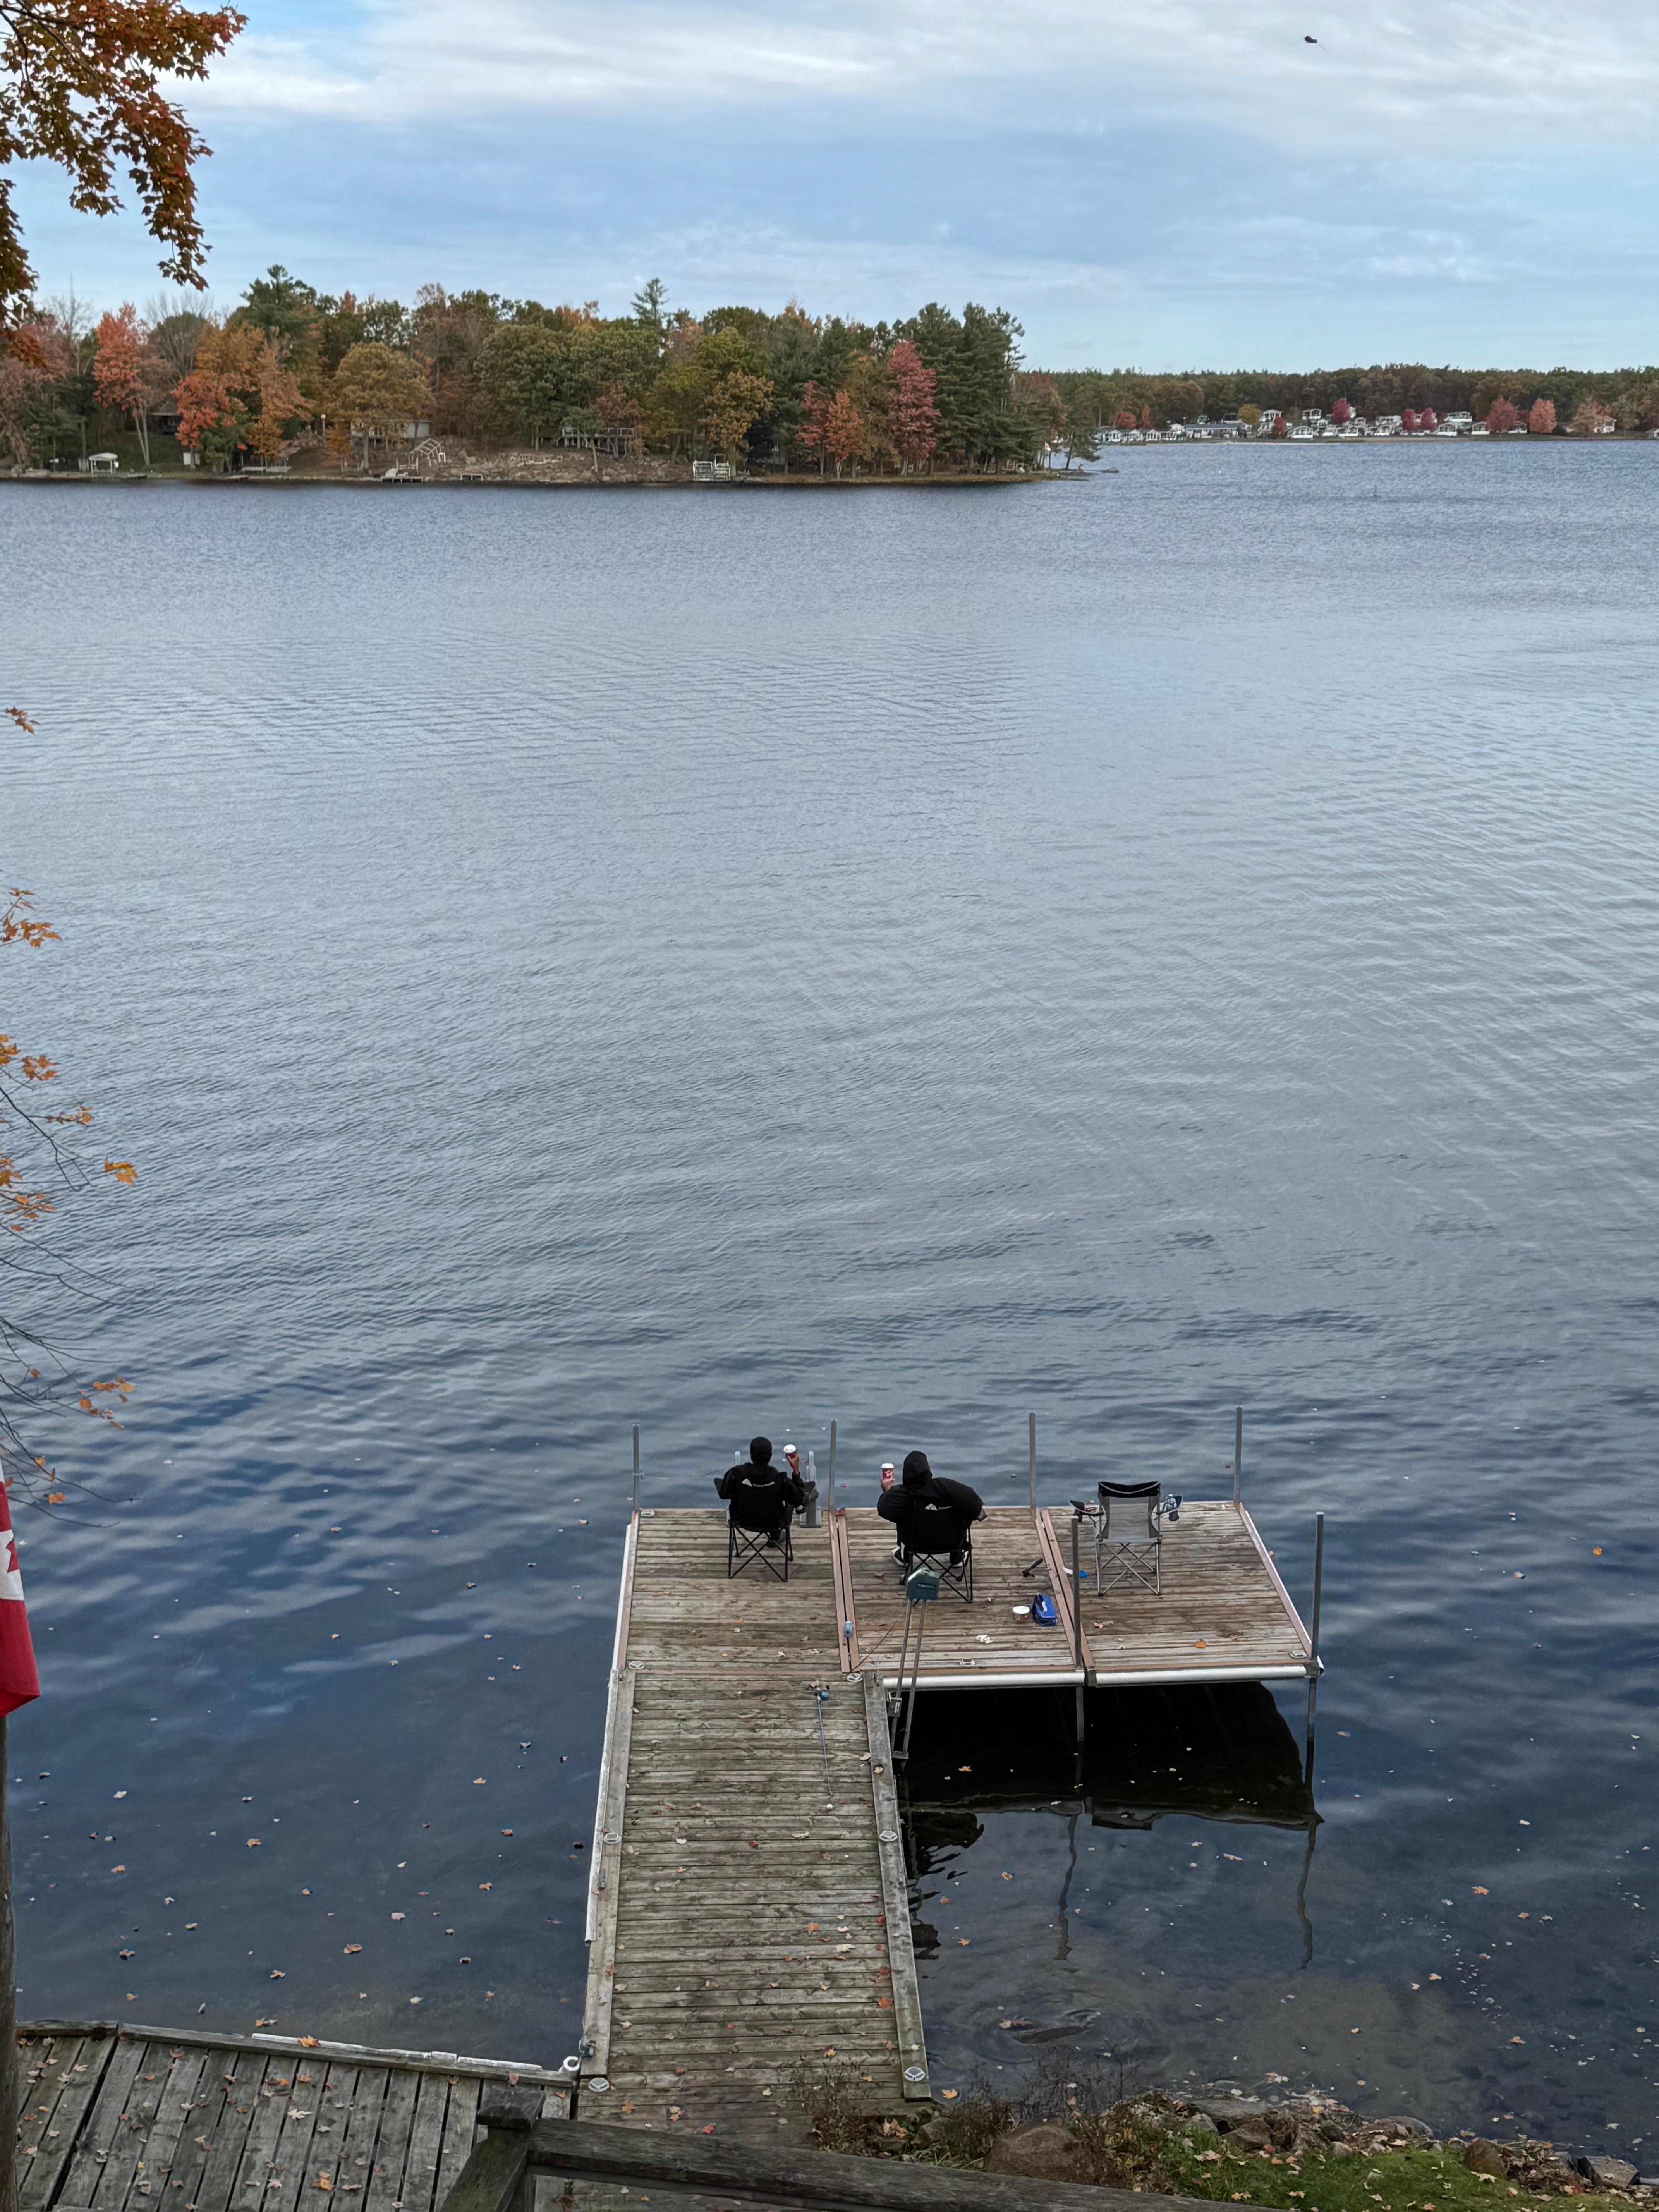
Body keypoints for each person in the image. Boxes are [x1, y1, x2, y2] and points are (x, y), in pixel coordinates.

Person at [878, 1450, 984, 1566]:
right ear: (928, 1470)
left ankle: (905, 1557)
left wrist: (888, 1491)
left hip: (915, 1544)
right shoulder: (947, 1487)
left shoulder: (902, 1495)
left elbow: (884, 1509)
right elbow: (976, 1507)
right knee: (963, 1508)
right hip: (954, 1543)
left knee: (902, 1513)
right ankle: (957, 1557)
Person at [716, 1436, 805, 1548]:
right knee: (789, 1500)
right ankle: (775, 1537)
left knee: (758, 1499)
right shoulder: (779, 1479)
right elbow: (799, 1498)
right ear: (771, 1456)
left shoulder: (737, 1473)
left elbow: (724, 1494)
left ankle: (774, 1536)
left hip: (742, 1520)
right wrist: (796, 1471)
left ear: (751, 1455)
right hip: (774, 1522)